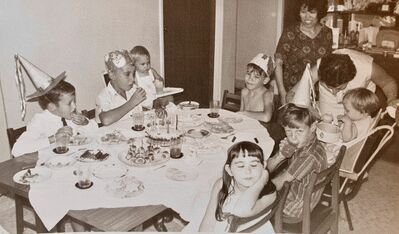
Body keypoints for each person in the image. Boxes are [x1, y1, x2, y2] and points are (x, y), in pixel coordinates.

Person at [199, 141, 276, 233]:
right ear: (229, 170)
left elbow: (241, 210)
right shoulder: (222, 184)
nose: (248, 171)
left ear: (263, 166)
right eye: (240, 166)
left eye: (254, 165)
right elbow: (208, 221)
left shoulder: (269, 193)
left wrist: (261, 181)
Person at [267, 103, 327, 219]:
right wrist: (280, 155)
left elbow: (278, 184)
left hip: (293, 208)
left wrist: (252, 189)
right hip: (294, 192)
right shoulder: (307, 142)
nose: (293, 138)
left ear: (313, 127)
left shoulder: (308, 156)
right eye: (288, 131)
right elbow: (269, 167)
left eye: (299, 131)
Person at [275, 0, 332, 105]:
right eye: (303, 11)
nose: (307, 17)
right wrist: (282, 93)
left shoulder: (327, 33)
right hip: (291, 92)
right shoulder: (290, 32)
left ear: (319, 12)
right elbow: (278, 64)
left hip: (317, 93)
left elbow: (325, 64)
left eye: (312, 12)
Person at [311, 49, 397, 117]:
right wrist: (309, 108)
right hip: (328, 103)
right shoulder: (321, 66)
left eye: (339, 88)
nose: (334, 92)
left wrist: (391, 100)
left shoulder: (367, 67)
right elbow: (300, 89)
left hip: (359, 106)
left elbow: (388, 83)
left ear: (349, 79)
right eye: (329, 87)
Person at [95, 49, 147, 126]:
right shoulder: (104, 96)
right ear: (112, 74)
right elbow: (105, 120)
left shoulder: (133, 89)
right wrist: (131, 103)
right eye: (127, 74)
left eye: (133, 74)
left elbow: (149, 104)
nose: (132, 79)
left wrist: (159, 106)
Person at [240, 53, 276, 123]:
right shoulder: (244, 92)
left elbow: (266, 117)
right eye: (248, 74)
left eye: (256, 77)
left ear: (265, 80)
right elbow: (241, 116)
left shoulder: (267, 94)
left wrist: (245, 113)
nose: (250, 79)